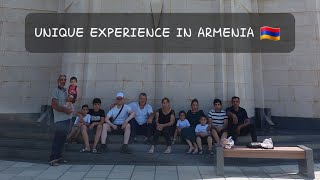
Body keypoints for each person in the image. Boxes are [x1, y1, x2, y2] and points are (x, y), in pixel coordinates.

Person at [49, 74, 73, 166]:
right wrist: (65, 110)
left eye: (64, 80)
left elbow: (70, 101)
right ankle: (53, 159)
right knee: (57, 140)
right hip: (60, 120)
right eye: (61, 79)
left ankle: (59, 158)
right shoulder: (55, 91)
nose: (63, 81)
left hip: (67, 119)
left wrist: (71, 98)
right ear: (58, 81)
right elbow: (54, 105)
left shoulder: (66, 91)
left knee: (63, 140)